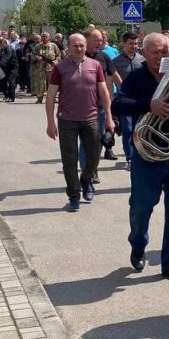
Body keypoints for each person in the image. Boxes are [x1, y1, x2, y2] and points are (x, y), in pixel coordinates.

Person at [113, 33, 169, 282]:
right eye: (155, 52)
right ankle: (138, 243)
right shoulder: (136, 76)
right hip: (146, 153)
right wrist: (149, 105)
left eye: (164, 51)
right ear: (144, 53)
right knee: (141, 207)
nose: (160, 56)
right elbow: (118, 105)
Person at [45, 33, 115, 212]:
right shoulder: (60, 68)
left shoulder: (95, 65)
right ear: (68, 47)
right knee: (69, 160)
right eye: (75, 45)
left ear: (86, 46)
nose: (78, 48)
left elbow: (104, 93)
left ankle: (86, 180)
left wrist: (109, 117)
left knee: (94, 156)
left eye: (81, 45)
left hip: (91, 118)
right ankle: (74, 196)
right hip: (67, 120)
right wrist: (50, 122)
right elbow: (51, 96)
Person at [82, 28, 122, 167]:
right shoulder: (78, 56)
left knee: (98, 139)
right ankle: (88, 171)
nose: (99, 42)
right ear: (86, 40)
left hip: (100, 105)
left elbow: (115, 76)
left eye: (100, 40)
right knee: (86, 141)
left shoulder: (103, 56)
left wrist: (126, 93)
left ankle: (92, 169)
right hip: (82, 106)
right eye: (96, 40)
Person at [113, 31, 145, 166]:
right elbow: (111, 80)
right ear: (124, 44)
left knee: (141, 128)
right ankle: (130, 158)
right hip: (125, 100)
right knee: (127, 129)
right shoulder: (116, 61)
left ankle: (140, 155)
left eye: (136, 43)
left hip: (141, 100)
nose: (134, 46)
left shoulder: (142, 60)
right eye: (131, 44)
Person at [30, 32, 60, 104]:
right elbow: (33, 55)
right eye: (43, 36)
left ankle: (53, 98)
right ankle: (39, 98)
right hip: (40, 68)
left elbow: (58, 54)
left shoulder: (53, 45)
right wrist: (37, 58)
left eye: (46, 36)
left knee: (52, 83)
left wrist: (56, 61)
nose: (44, 38)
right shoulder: (37, 46)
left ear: (49, 38)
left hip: (51, 67)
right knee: (40, 83)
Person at [0, 36, 18, 102]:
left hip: (12, 68)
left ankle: (12, 97)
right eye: (1, 45)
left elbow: (6, 58)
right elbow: (0, 58)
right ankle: (6, 95)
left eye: (3, 44)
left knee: (11, 81)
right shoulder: (2, 50)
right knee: (2, 81)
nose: (2, 46)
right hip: (5, 67)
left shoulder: (9, 49)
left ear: (6, 44)